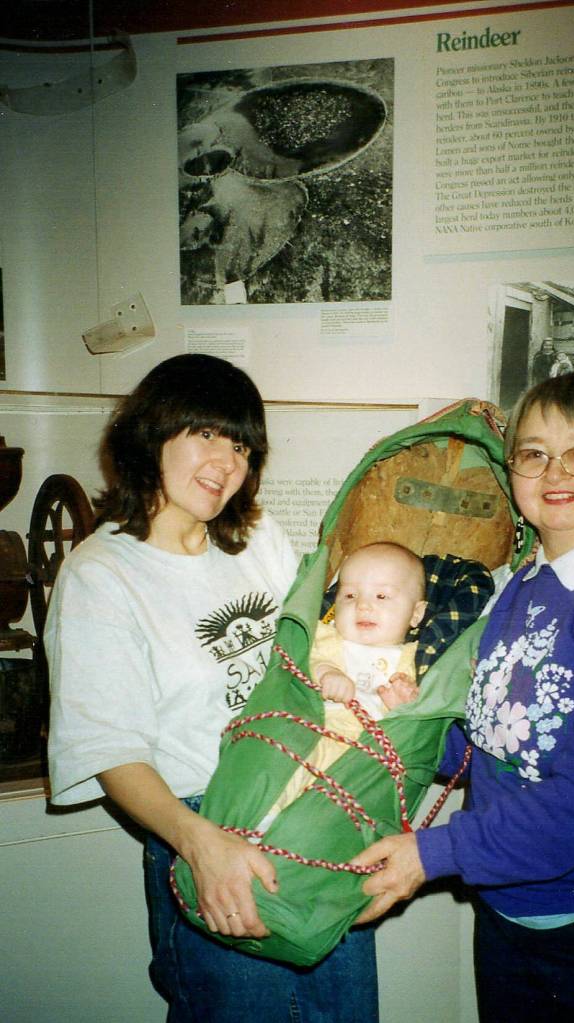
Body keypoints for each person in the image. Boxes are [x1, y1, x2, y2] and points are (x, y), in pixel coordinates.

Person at [352, 372, 574, 1022]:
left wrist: (430, 853)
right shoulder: (532, 578)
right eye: (534, 452)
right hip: (520, 917)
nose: (556, 469)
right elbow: (497, 730)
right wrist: (399, 725)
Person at [46, 353, 379, 1023]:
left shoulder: (256, 539)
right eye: (204, 433)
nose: (225, 462)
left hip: (308, 813)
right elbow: (111, 751)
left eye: (240, 445)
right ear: (152, 434)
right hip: (205, 823)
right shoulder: (102, 573)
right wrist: (201, 843)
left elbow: (314, 653)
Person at [264, 542, 427, 823]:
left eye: (381, 596)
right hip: (322, 732)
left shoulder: (408, 659)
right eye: (349, 595)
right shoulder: (328, 638)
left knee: (358, 805)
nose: (363, 605)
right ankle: (265, 819)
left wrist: (402, 704)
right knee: (289, 765)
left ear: (415, 614)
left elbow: (411, 724)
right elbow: (307, 659)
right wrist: (328, 672)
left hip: (368, 757)